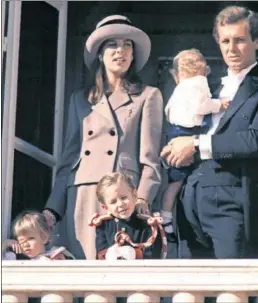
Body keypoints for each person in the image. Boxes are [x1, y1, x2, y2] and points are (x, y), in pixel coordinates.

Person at [43, 15, 164, 259]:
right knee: (85, 272)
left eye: (127, 45)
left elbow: (151, 160)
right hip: (83, 196)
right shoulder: (79, 99)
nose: (121, 51)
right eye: (112, 45)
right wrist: (52, 209)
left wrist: (141, 200)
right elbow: (69, 160)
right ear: (100, 53)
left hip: (124, 200)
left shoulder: (148, 96)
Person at [161, 5, 258, 258]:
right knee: (188, 291)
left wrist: (195, 144)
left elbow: (254, 139)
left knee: (232, 289)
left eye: (240, 40)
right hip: (188, 198)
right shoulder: (208, 87)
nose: (231, 48)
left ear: (256, 41)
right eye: (225, 41)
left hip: (233, 199)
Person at [160, 48, 230, 236]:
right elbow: (202, 105)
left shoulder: (180, 87)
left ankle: (166, 215)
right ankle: (165, 216)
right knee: (178, 181)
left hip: (176, 130)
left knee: (176, 182)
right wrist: (219, 105)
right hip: (187, 131)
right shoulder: (198, 84)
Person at [89, 172, 165, 260]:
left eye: (124, 197)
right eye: (113, 202)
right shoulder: (104, 225)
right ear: (105, 208)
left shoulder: (148, 224)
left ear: (134, 195)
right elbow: (100, 256)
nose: (120, 204)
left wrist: (133, 254)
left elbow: (153, 257)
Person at [2, 211, 75, 260]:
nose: (25, 244)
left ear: (44, 237)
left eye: (30, 238)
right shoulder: (16, 260)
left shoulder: (55, 256)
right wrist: (5, 244)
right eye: (21, 241)